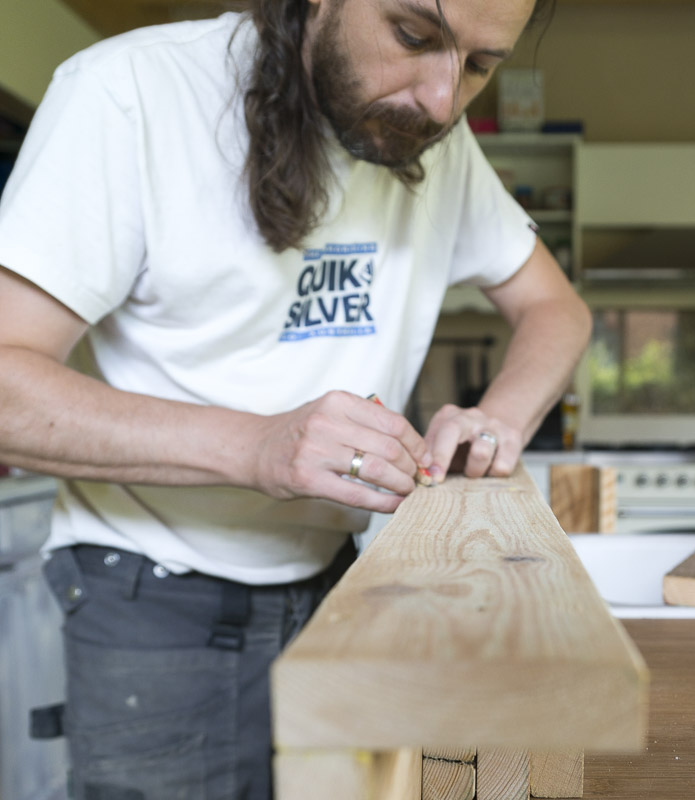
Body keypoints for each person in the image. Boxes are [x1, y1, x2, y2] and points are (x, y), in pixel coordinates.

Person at [0, 0, 591, 797]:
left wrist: (500, 420)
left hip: (340, 589)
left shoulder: (431, 139)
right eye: (414, 37)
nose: (443, 101)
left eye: (481, 66)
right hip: (152, 598)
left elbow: (557, 309)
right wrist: (257, 447)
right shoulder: (131, 93)